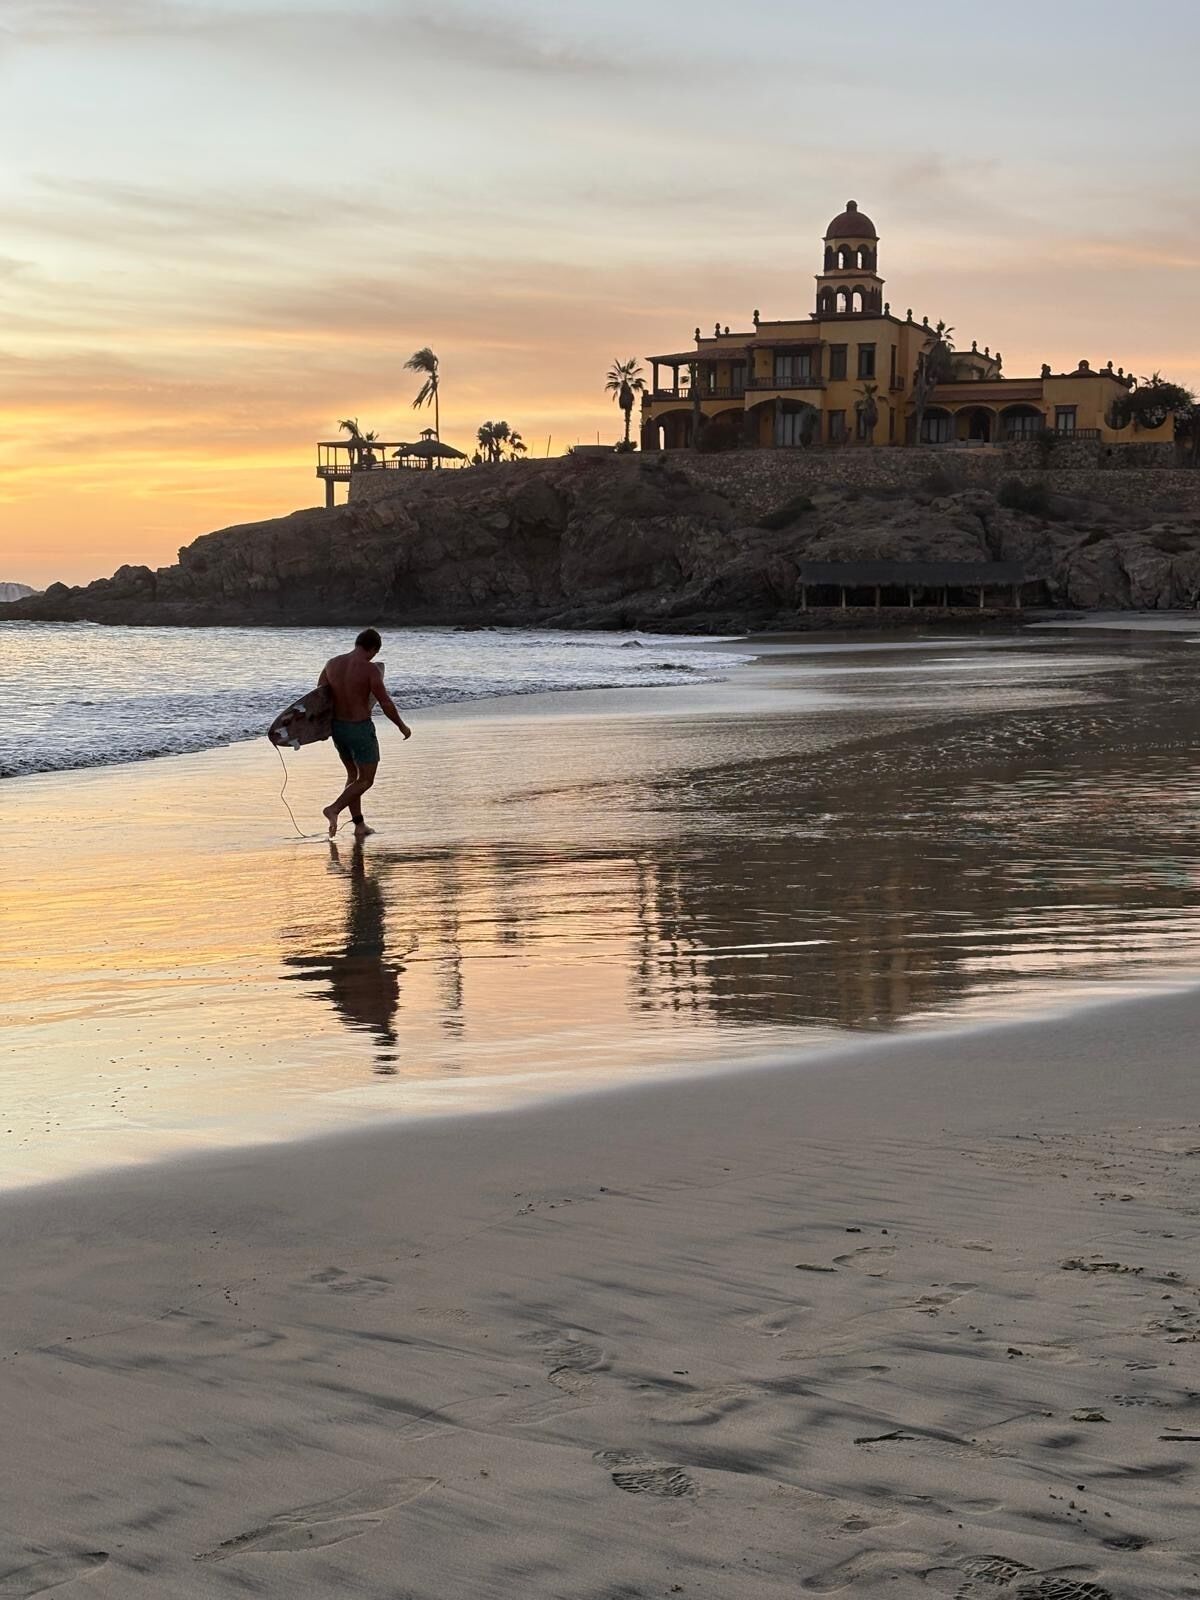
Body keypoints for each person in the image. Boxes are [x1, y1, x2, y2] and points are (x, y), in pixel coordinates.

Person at [319, 628, 411, 837]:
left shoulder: (331, 664)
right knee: (366, 780)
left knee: (353, 776)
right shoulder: (370, 670)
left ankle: (359, 825)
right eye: (375, 653)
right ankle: (333, 809)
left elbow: (320, 699)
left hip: (338, 729)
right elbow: (385, 702)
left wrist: (321, 729)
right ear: (373, 649)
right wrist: (401, 726)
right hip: (359, 729)